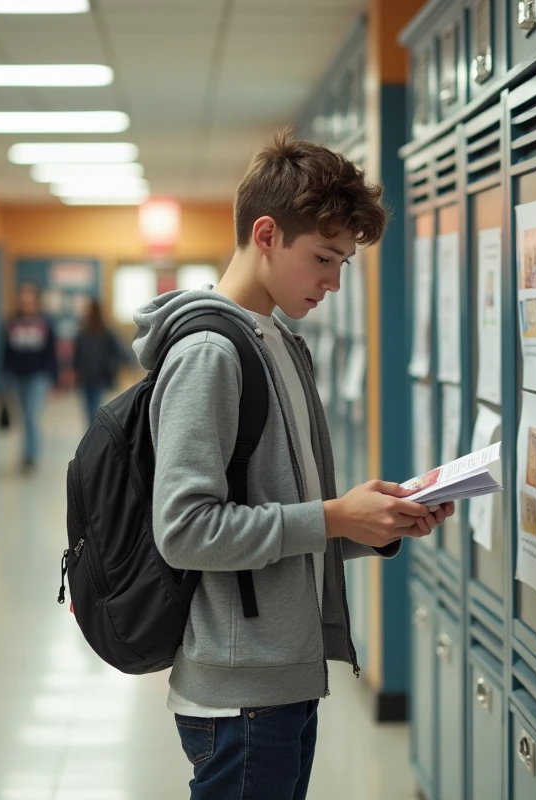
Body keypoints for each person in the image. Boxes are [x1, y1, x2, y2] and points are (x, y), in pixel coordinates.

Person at [132, 130, 455, 799]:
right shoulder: (210, 355)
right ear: (268, 233)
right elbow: (187, 529)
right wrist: (334, 515)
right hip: (240, 693)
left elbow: (284, 511)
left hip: (280, 677)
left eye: (344, 263)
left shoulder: (279, 340)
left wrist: (371, 522)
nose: (335, 282)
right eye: (325, 258)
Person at [1, 284, 58, 472]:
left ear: (36, 301)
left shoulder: (44, 323)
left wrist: (54, 378)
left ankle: (31, 456)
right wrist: (3, 376)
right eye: (23, 299)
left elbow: (51, 352)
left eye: (29, 299)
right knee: (24, 416)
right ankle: (26, 452)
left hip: (38, 376)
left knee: (32, 415)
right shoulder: (11, 323)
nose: (26, 303)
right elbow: (5, 352)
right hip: (17, 376)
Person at [72, 297, 134, 423]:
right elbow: (77, 356)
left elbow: (120, 350)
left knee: (94, 409)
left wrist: (129, 363)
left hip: (98, 377)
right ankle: (92, 435)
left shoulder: (105, 332)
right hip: (86, 378)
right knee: (89, 410)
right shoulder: (82, 333)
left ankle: (94, 434)